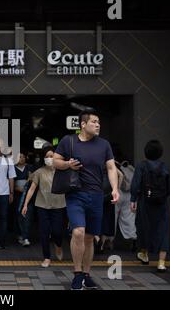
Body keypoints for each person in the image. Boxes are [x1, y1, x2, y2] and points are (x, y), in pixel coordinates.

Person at [53, 109, 120, 290]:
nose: (98, 125)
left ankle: (87, 274)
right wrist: (67, 164)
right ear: (83, 124)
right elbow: (55, 161)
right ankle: (77, 274)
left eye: (99, 122)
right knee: (78, 232)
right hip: (75, 194)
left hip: (97, 195)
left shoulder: (104, 144)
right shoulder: (69, 141)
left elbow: (112, 168)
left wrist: (114, 189)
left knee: (90, 238)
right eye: (94, 122)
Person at [130, 140, 170, 272]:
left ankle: (144, 255)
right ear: (160, 152)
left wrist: (133, 199)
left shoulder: (141, 166)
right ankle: (161, 263)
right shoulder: (164, 167)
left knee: (144, 227)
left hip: (145, 202)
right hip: (161, 204)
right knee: (163, 230)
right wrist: (162, 196)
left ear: (146, 152)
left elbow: (136, 184)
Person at [22, 145, 66, 268]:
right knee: (44, 233)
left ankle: (58, 245)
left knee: (57, 231)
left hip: (59, 205)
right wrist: (25, 204)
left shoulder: (62, 171)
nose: (49, 158)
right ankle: (46, 257)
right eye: (47, 157)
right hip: (42, 206)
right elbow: (31, 189)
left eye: (51, 156)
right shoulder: (39, 172)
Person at [13, 152, 34, 246]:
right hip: (17, 196)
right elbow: (11, 182)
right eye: (19, 157)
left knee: (28, 215)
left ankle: (26, 236)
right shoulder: (12, 168)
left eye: (23, 157)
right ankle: (20, 234)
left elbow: (33, 180)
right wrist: (16, 189)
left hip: (28, 196)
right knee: (18, 215)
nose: (22, 158)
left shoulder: (30, 168)